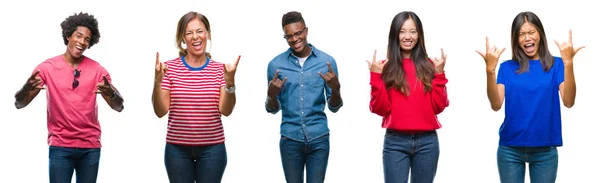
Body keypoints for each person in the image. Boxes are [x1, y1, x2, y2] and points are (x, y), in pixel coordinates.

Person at [14, 12, 124, 183]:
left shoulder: (97, 70)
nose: (82, 42)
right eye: (78, 36)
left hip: (90, 148)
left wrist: (111, 93)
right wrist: (25, 89)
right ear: (68, 35)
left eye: (87, 39)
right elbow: (19, 103)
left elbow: (119, 106)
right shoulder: (47, 68)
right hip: (60, 146)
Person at [477, 11, 583, 183]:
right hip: (510, 149)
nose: (527, 38)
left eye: (531, 32)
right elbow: (496, 104)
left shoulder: (556, 65)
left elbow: (569, 101)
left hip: (545, 151)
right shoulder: (506, 68)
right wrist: (490, 71)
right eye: (521, 34)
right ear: (515, 39)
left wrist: (568, 64)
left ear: (540, 33)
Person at [152, 11, 240, 183]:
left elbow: (226, 111)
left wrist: (230, 83)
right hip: (176, 150)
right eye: (189, 33)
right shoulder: (169, 68)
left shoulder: (220, 70)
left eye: (199, 31)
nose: (195, 37)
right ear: (183, 39)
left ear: (207, 34)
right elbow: (160, 111)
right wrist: (157, 82)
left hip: (213, 150)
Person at [367, 11, 449, 183]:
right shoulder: (384, 67)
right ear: (395, 34)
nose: (408, 36)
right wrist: (375, 77)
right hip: (395, 142)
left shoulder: (430, 65)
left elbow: (438, 107)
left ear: (419, 35)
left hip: (427, 142)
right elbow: (380, 109)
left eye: (413, 31)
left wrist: (440, 74)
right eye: (402, 31)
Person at [265, 11, 343, 183]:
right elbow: (272, 109)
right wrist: (271, 96)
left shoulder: (326, 62)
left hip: (319, 138)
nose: (294, 39)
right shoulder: (275, 66)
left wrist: (336, 90)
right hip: (290, 139)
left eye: (298, 33)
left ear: (306, 31)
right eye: (289, 36)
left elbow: (334, 107)